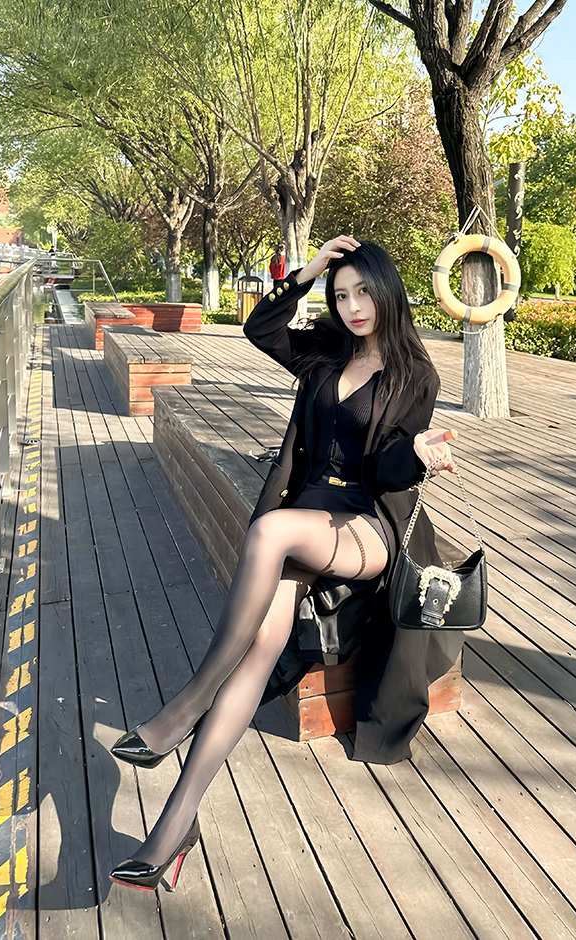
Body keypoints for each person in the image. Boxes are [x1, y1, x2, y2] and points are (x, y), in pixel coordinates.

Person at [108, 235, 459, 892]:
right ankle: (172, 830)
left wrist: (417, 453)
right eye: (341, 294)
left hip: (363, 529)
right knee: (258, 652)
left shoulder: (417, 376)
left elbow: (387, 472)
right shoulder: (326, 350)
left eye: (363, 292)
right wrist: (309, 270)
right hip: (305, 519)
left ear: (387, 291)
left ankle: (185, 708)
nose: (353, 306)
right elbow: (261, 328)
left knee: (268, 531)